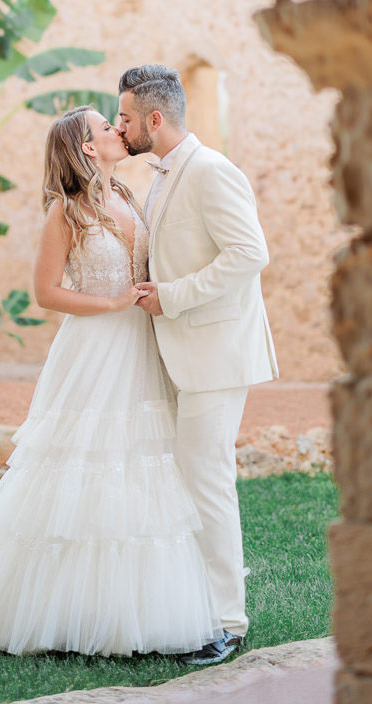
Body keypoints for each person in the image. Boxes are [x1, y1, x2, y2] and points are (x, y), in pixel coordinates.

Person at [0, 106, 221, 657]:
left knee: (139, 465)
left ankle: (129, 609)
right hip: (93, 350)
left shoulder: (133, 199)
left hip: (139, 346)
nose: (117, 130)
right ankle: (50, 610)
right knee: (84, 462)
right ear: (88, 148)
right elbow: (46, 293)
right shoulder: (65, 212)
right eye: (105, 127)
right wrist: (112, 302)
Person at [117, 64, 280, 667]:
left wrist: (173, 295)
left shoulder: (211, 171)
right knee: (189, 481)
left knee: (208, 483)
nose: (121, 127)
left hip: (215, 354)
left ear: (154, 119)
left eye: (127, 118)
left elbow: (249, 253)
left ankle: (229, 624)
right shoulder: (162, 174)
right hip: (182, 352)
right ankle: (195, 607)